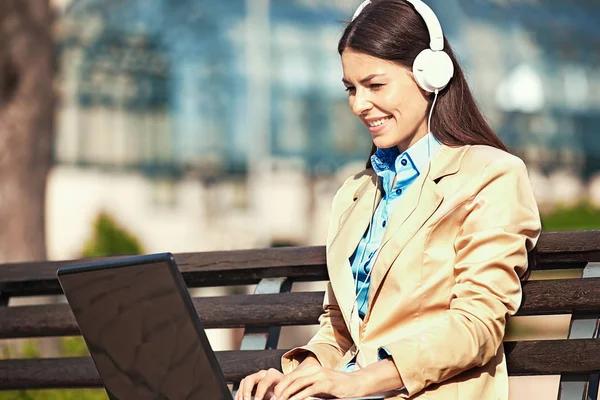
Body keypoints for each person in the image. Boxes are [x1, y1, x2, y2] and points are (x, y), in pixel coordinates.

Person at [235, 0, 541, 399]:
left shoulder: (490, 175)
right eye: (351, 88)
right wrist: (299, 377)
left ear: (430, 75)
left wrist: (361, 381)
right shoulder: (355, 193)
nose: (359, 105)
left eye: (375, 85)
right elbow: (342, 328)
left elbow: (476, 325)